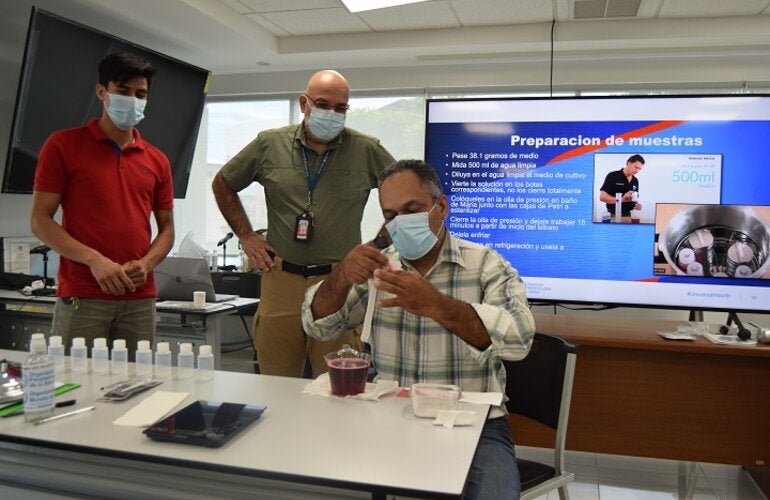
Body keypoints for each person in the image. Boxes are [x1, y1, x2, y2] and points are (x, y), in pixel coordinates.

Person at [302, 159, 536, 499]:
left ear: (441, 206)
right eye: (391, 215)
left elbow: (520, 339)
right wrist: (340, 276)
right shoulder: (381, 268)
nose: (401, 223)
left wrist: (436, 305)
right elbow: (318, 325)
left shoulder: (486, 264)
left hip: (473, 423)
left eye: (412, 209)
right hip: (386, 417)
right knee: (318, 482)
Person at [212, 69, 395, 378]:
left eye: (341, 108)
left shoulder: (366, 149)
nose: (331, 114)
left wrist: (376, 247)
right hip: (281, 277)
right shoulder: (270, 144)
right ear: (303, 103)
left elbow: (408, 198)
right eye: (323, 104)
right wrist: (246, 235)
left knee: (337, 382)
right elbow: (223, 183)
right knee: (275, 380)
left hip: (338, 280)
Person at [30, 52, 174, 356]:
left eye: (141, 94)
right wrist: (95, 260)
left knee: (138, 388)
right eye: (123, 91)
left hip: (139, 297)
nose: (133, 100)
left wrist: (147, 264)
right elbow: (40, 221)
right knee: (75, 385)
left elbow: (167, 231)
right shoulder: (63, 145)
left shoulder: (157, 160)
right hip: (84, 295)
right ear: (102, 92)